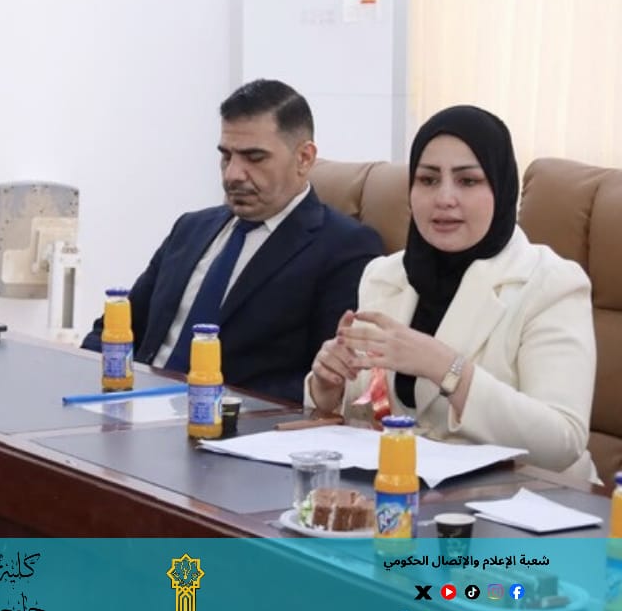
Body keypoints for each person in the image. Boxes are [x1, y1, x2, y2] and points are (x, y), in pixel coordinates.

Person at [306, 105, 596, 481]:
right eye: (428, 180)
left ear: (501, 188)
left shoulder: (551, 283)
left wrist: (445, 367)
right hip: (404, 493)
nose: (444, 198)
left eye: (468, 181)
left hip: (525, 499)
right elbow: (366, 412)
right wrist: (328, 389)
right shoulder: (384, 275)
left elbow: (561, 441)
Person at [83, 80, 382, 403]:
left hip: (232, 423)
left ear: (304, 158)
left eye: (254, 157)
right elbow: (115, 329)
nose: (232, 175)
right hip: (132, 407)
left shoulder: (345, 247)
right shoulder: (191, 228)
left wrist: (215, 403)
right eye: (226, 156)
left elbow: (329, 380)